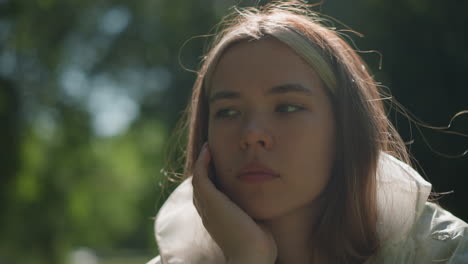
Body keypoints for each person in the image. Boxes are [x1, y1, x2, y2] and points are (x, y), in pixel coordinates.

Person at [146, 2, 468, 263]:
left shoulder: (446, 252)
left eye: (287, 107)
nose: (252, 134)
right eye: (228, 112)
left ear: (344, 127)